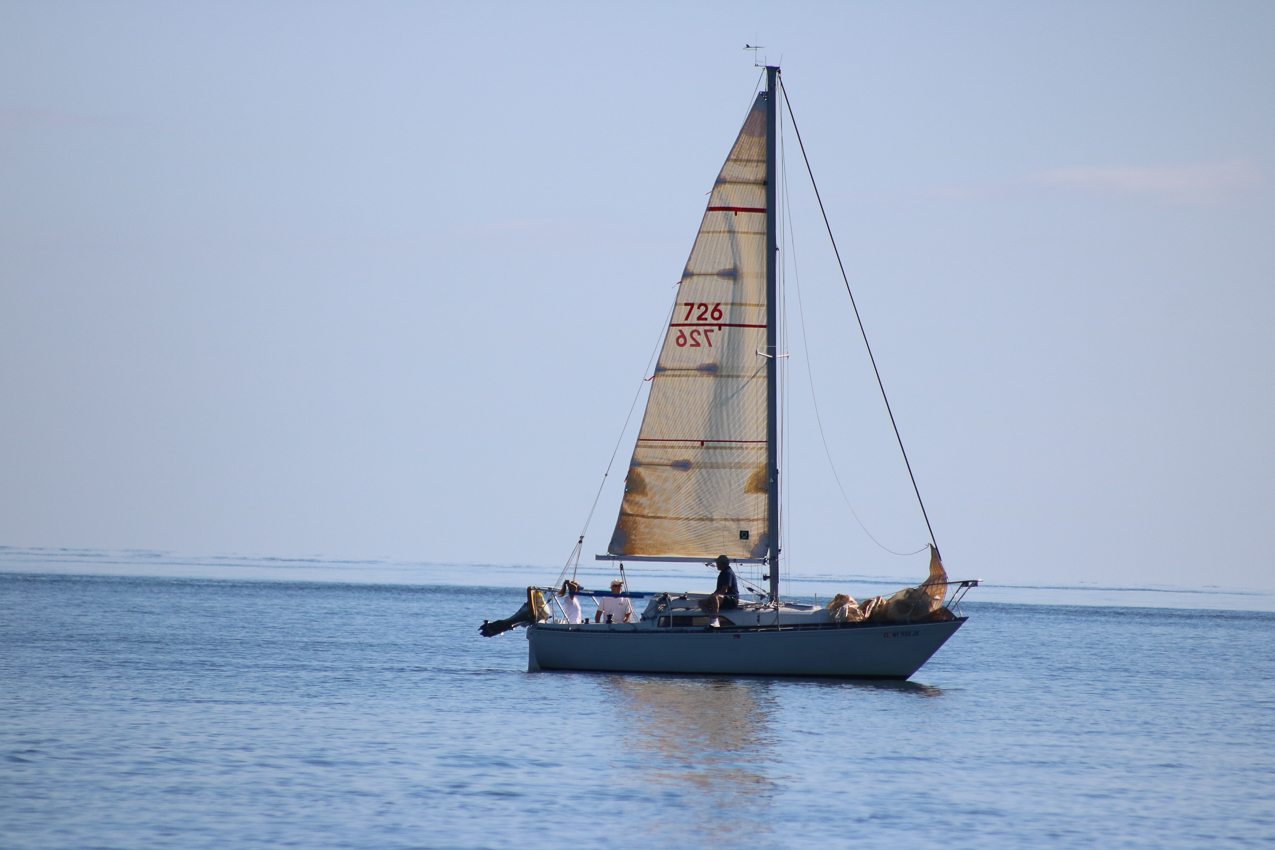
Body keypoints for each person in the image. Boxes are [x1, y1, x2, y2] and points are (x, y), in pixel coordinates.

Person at [698, 555, 739, 628]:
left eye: (718, 563)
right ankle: (712, 618)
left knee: (714, 598)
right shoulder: (722, 573)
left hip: (731, 599)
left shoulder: (728, 573)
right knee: (701, 602)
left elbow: (724, 590)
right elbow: (718, 590)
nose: (717, 565)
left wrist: (713, 597)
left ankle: (715, 619)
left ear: (723, 564)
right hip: (722, 598)